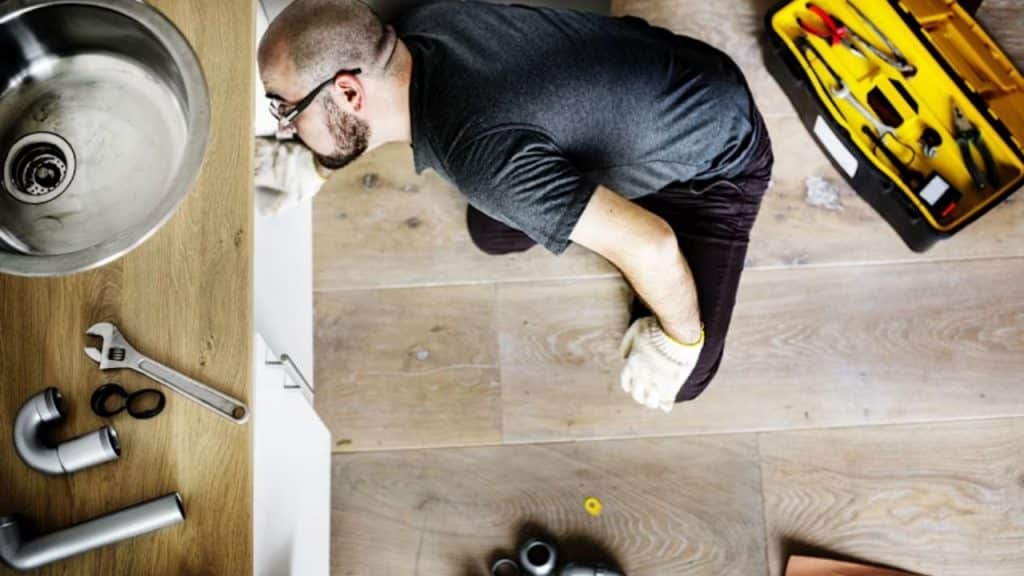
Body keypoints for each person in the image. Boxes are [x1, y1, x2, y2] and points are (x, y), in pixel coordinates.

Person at [258, 0, 773, 413]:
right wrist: (318, 164)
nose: (285, 127)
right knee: (494, 231)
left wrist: (677, 343)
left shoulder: (485, 161)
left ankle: (629, 216)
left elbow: (655, 245)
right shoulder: (425, 23)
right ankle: (606, 204)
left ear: (349, 92)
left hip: (716, 156)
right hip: (656, 77)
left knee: (683, 378)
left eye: (287, 108)